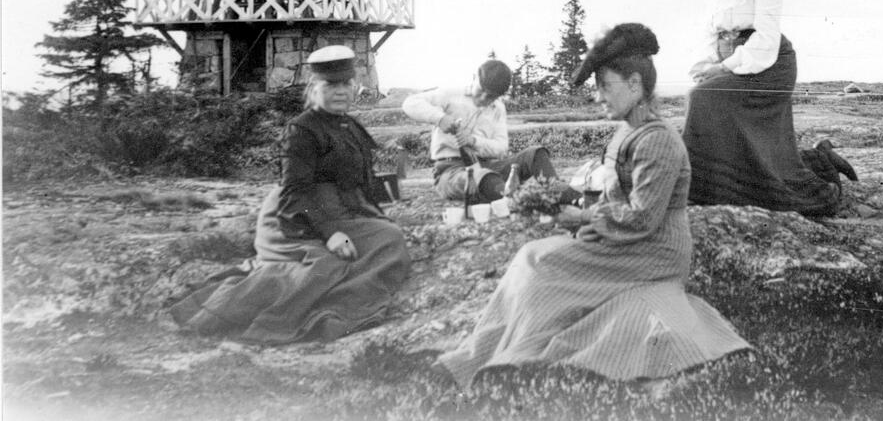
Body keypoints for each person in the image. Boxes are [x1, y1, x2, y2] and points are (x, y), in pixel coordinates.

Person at [438, 24, 749, 386]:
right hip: (626, 242)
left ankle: (508, 359)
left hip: (653, 252)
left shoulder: (658, 141)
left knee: (540, 265)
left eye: (605, 86)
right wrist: (561, 206)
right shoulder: (628, 132)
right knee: (533, 258)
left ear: (634, 84)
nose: (598, 96)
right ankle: (483, 356)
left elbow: (643, 217)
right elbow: (615, 199)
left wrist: (583, 216)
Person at [169, 45, 412, 344]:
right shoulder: (302, 130)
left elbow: (355, 179)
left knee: (387, 238)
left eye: (346, 84)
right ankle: (313, 317)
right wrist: (332, 234)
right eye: (331, 85)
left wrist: (382, 203)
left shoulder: (349, 126)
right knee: (328, 264)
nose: (341, 91)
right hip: (294, 216)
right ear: (315, 87)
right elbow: (296, 190)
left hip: (337, 210)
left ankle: (339, 306)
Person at [683, 0, 843, 215]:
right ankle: (816, 160)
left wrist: (724, 67)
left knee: (703, 98)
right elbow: (709, 28)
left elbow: (766, 35)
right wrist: (704, 65)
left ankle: (703, 188)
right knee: (720, 113)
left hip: (768, 63)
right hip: (732, 58)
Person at [401, 60, 559, 204]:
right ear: (474, 77)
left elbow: (501, 148)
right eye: (481, 90)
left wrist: (473, 141)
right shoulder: (450, 94)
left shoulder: (498, 108)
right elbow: (410, 103)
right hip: (451, 171)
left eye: (491, 96)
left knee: (535, 154)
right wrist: (440, 118)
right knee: (480, 177)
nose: (483, 98)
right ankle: (524, 200)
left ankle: (561, 194)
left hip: (488, 166)